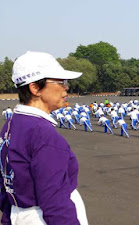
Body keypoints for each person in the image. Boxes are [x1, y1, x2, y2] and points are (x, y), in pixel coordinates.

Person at [0, 51, 88, 224]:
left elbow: (5, 184)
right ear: (35, 88)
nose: (66, 87)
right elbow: (55, 202)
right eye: (60, 82)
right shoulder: (43, 134)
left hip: (20, 213)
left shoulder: (12, 124)